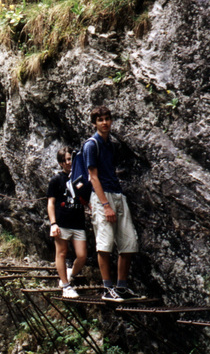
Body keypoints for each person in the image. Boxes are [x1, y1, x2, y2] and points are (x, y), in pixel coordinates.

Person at [85, 105, 141, 301]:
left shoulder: (110, 144)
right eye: (100, 120)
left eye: (107, 119)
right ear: (94, 123)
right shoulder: (91, 145)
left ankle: (122, 287)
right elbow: (93, 177)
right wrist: (105, 205)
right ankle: (107, 288)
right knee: (105, 243)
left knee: (129, 242)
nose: (105, 123)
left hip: (117, 193)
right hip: (103, 196)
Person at [47, 146, 88, 298]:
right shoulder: (56, 180)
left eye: (71, 159)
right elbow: (51, 203)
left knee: (82, 256)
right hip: (62, 222)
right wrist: (53, 223)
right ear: (61, 163)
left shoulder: (81, 177)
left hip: (78, 223)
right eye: (66, 160)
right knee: (61, 253)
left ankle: (70, 275)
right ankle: (66, 286)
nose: (69, 162)